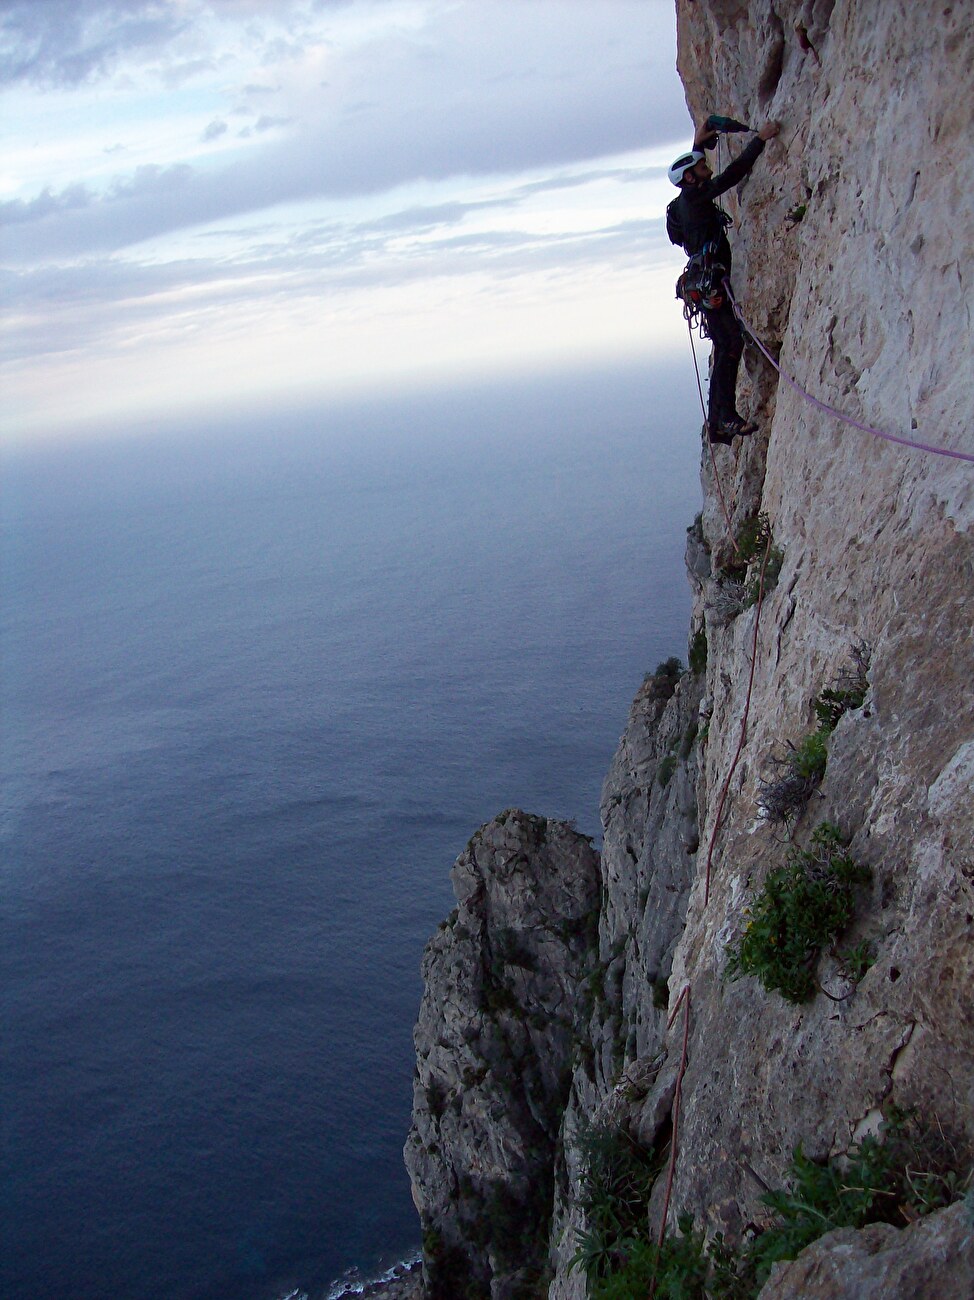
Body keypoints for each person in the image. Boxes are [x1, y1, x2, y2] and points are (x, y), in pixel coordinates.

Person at [668, 118, 781, 445]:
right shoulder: (695, 199)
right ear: (690, 178)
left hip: (705, 280)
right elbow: (731, 176)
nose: (708, 169)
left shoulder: (684, 203)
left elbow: (697, 178)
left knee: (725, 344)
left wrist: (697, 144)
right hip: (712, 283)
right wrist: (759, 139)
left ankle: (721, 419)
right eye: (702, 166)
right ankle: (723, 418)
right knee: (730, 345)